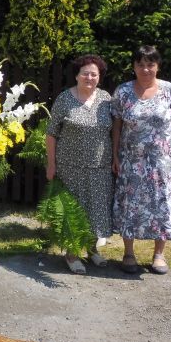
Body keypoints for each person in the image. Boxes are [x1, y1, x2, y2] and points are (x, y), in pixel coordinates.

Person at [111, 45, 171, 275]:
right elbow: (117, 127)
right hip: (131, 161)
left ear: (157, 66)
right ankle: (128, 253)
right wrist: (115, 154)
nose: (145, 69)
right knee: (130, 204)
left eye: (150, 64)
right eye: (140, 64)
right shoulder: (123, 92)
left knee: (162, 204)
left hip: (163, 163)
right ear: (133, 66)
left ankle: (159, 254)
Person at [46, 54, 115, 274]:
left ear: (99, 77)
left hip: (100, 167)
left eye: (94, 74)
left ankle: (92, 250)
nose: (90, 78)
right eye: (85, 73)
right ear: (77, 75)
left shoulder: (106, 99)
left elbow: (115, 130)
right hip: (70, 167)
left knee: (96, 210)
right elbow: (51, 133)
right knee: (73, 212)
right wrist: (51, 164)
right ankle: (72, 254)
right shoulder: (65, 99)